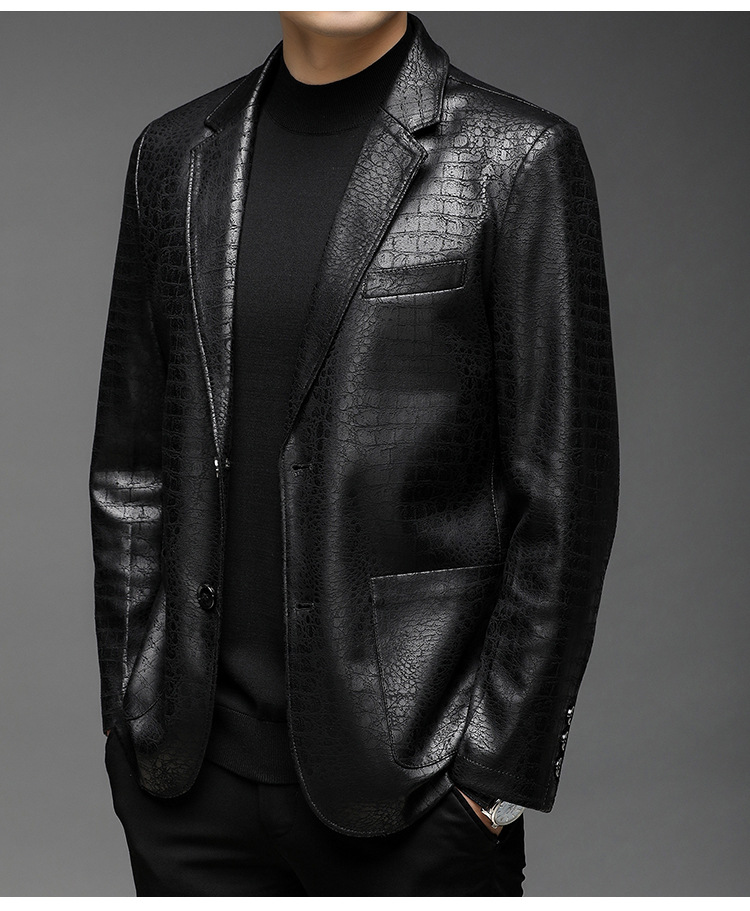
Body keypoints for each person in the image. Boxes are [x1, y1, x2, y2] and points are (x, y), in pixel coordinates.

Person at [90, 11, 619, 897]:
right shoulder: (171, 157)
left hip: (416, 794)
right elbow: (131, 468)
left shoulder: (516, 158)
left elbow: (566, 491)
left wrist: (495, 774)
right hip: (190, 791)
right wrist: (130, 712)